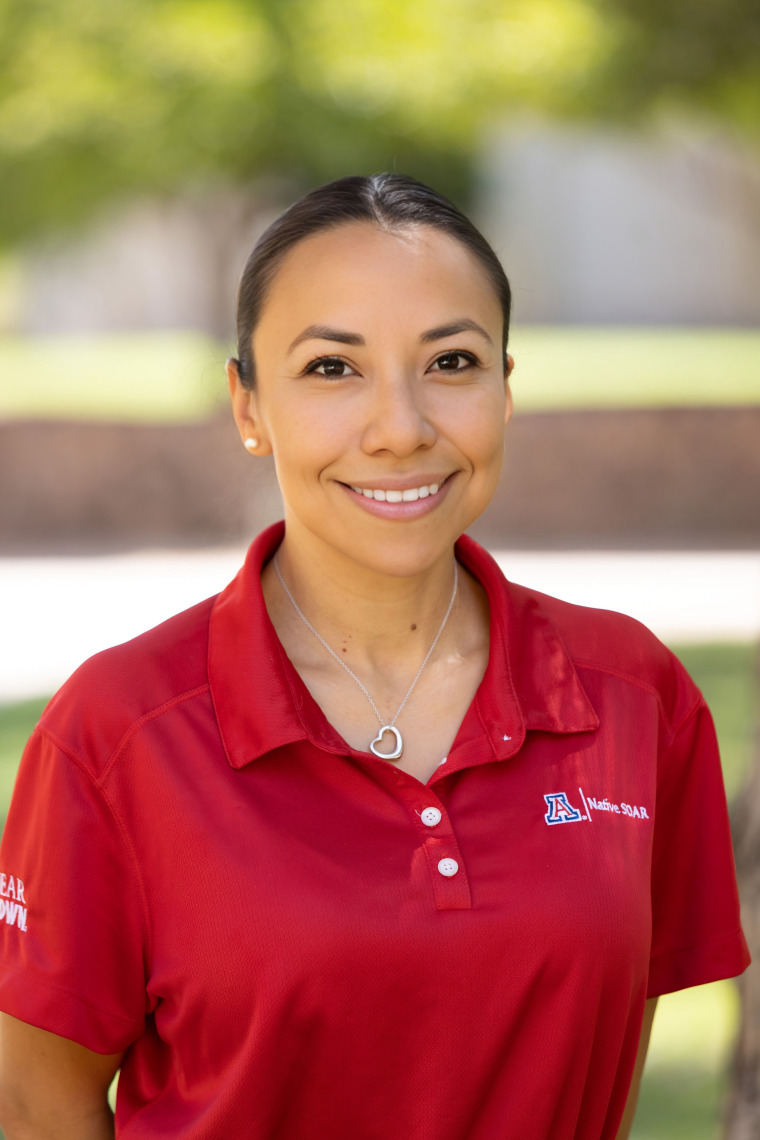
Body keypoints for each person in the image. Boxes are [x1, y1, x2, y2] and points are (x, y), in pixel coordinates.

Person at [0, 174, 749, 1140]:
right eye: (330, 370)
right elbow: (32, 1101)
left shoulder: (634, 697)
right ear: (247, 404)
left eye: (451, 361)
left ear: (506, 388)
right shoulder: (116, 732)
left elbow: (606, 1059)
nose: (401, 428)